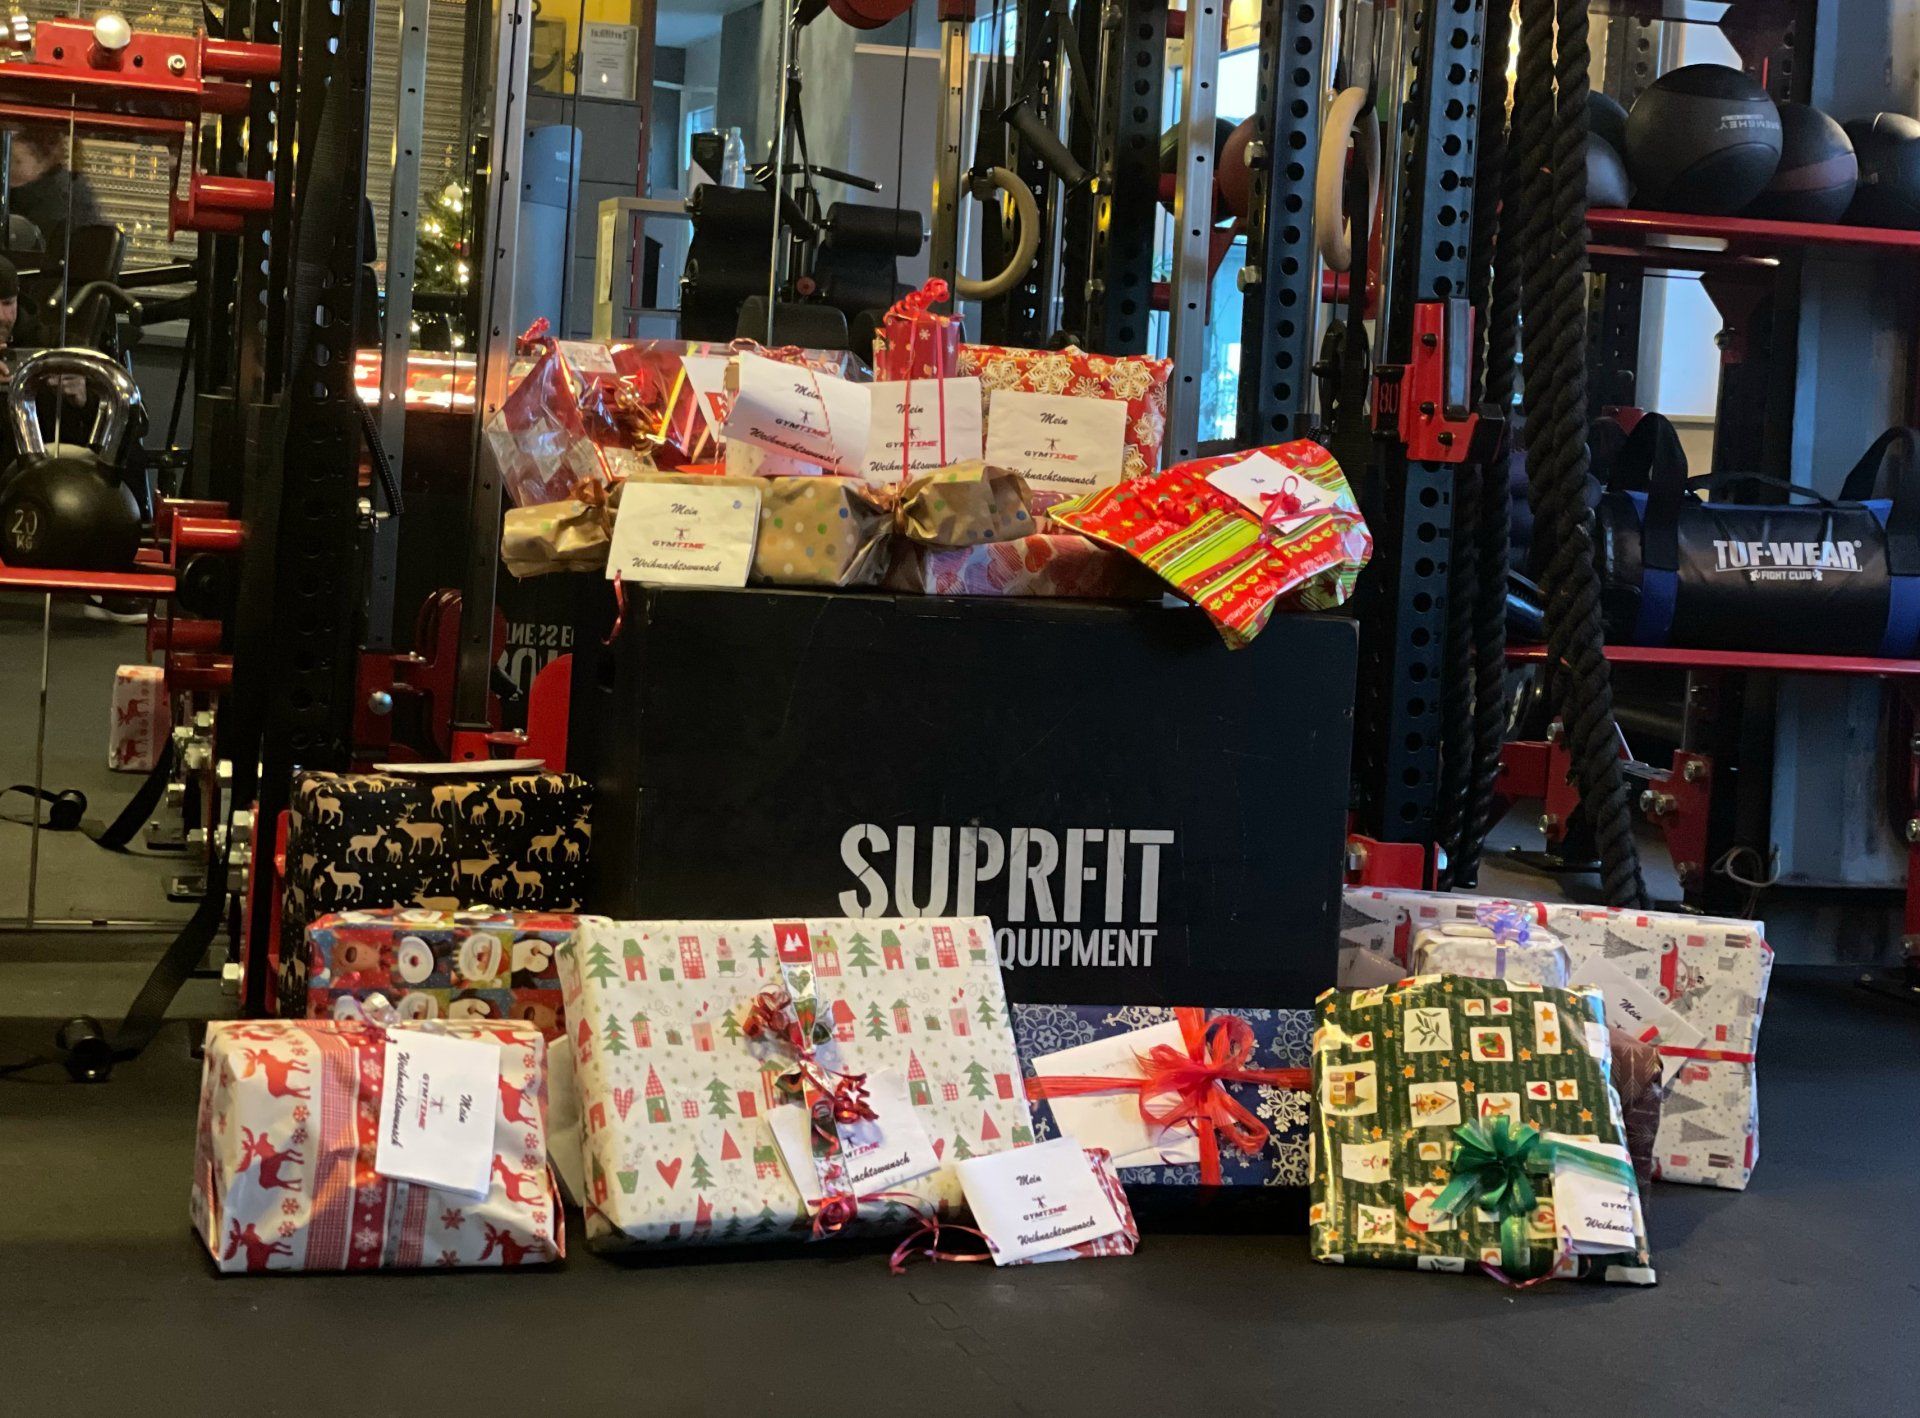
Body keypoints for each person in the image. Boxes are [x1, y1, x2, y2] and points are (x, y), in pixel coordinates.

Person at [6, 124, 102, 242]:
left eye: (16, 160)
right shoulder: (66, 188)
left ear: (43, 163)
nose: (8, 166)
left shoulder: (60, 199)